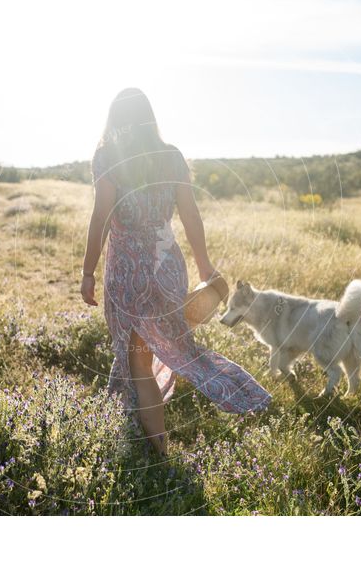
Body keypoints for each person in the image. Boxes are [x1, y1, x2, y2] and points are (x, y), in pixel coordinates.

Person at [81, 88, 271, 457]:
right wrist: (205, 267)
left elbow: (101, 216)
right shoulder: (171, 157)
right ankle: (203, 338)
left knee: (139, 360)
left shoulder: (107, 157)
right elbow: (190, 213)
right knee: (176, 344)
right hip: (168, 265)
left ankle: (158, 454)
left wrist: (88, 271)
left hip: (128, 273)